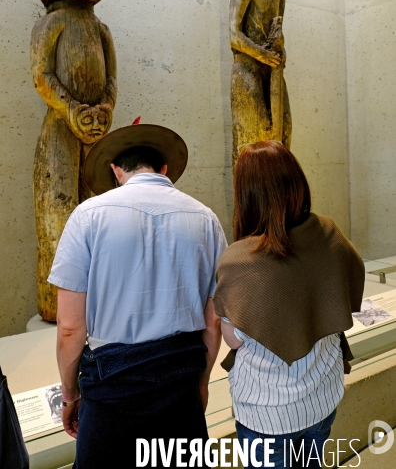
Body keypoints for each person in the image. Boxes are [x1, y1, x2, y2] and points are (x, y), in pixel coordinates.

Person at [48, 120, 227, 469]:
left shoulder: (87, 216)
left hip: (112, 386)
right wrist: (202, 382)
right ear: (164, 169)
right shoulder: (205, 218)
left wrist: (69, 396)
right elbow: (214, 320)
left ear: (116, 170)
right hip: (181, 382)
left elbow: (70, 328)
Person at [213, 141, 365, 469]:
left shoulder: (238, 259)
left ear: (246, 195)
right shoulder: (328, 232)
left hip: (266, 411)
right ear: (296, 182)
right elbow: (348, 291)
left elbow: (236, 338)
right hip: (323, 394)